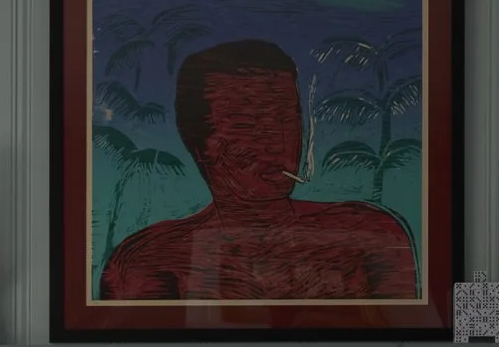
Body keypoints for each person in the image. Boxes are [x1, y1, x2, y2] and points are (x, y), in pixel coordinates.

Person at [101, 39, 418, 302]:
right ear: (200, 142)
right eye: (249, 124)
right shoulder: (149, 261)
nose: (279, 142)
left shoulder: (374, 235)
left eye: (287, 118)